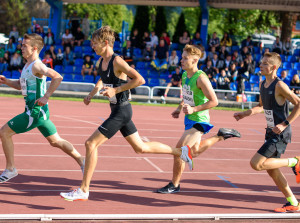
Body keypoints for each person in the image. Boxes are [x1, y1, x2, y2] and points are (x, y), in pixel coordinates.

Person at [59, 26, 196, 201]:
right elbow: (103, 78)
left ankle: (84, 190)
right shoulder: (101, 61)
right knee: (140, 148)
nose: (92, 46)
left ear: (106, 43)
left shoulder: (118, 61)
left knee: (90, 144)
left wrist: (116, 90)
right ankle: (181, 152)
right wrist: (92, 93)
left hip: (122, 110)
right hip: (117, 110)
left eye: (95, 43)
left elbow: (140, 79)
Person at [0, 33, 85, 183]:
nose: (21, 48)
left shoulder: (37, 65)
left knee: (4, 132)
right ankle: (82, 161)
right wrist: (6, 81)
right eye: (21, 45)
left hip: (35, 112)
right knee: (56, 141)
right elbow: (21, 85)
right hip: (39, 112)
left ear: (34, 48)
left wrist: (46, 96)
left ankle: (11, 169)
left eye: (24, 46)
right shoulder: (27, 65)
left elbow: (57, 77)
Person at [156, 44, 241, 194]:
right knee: (193, 152)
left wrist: (194, 109)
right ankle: (220, 136)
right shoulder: (184, 75)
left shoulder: (201, 78)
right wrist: (179, 108)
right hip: (189, 119)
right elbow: (187, 96)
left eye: (185, 58)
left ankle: (174, 185)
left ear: (195, 60)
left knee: (179, 151)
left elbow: (215, 101)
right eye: (182, 57)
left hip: (199, 120)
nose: (181, 61)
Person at [233, 52, 300, 213]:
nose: (260, 65)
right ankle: (293, 202)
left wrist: (284, 124)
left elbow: (298, 103)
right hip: (270, 132)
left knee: (256, 163)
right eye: (261, 62)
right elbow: (261, 106)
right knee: (271, 169)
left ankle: (295, 162)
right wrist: (244, 114)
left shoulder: (280, 85)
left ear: (273, 67)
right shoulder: (263, 84)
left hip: (280, 133)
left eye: (264, 64)